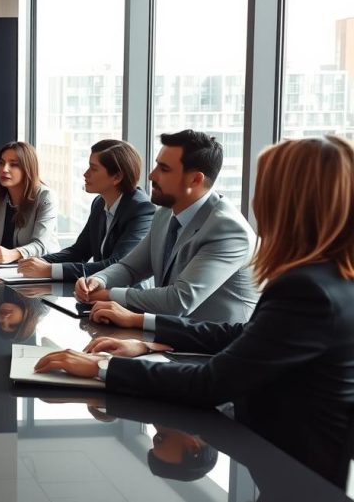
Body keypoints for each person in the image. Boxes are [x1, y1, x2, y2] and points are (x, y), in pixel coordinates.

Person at [35, 136, 354, 488]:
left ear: (289, 201)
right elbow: (239, 334)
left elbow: (210, 383)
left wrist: (102, 369)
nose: (255, 201)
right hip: (282, 462)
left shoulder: (308, 290)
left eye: (264, 188)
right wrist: (146, 339)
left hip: (296, 477)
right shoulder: (327, 279)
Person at [74, 130, 257, 323]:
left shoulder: (228, 230)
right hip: (169, 332)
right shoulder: (164, 214)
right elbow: (130, 267)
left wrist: (109, 295)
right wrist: (99, 280)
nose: (151, 175)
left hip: (214, 341)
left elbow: (179, 300)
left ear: (195, 180)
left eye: (164, 169)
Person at [18, 140, 155, 281]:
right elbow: (79, 251)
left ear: (117, 177)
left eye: (93, 169)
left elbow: (117, 265)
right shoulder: (99, 203)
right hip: (97, 289)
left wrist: (49, 270)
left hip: (126, 293)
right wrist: (38, 262)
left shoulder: (141, 209)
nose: (85, 174)